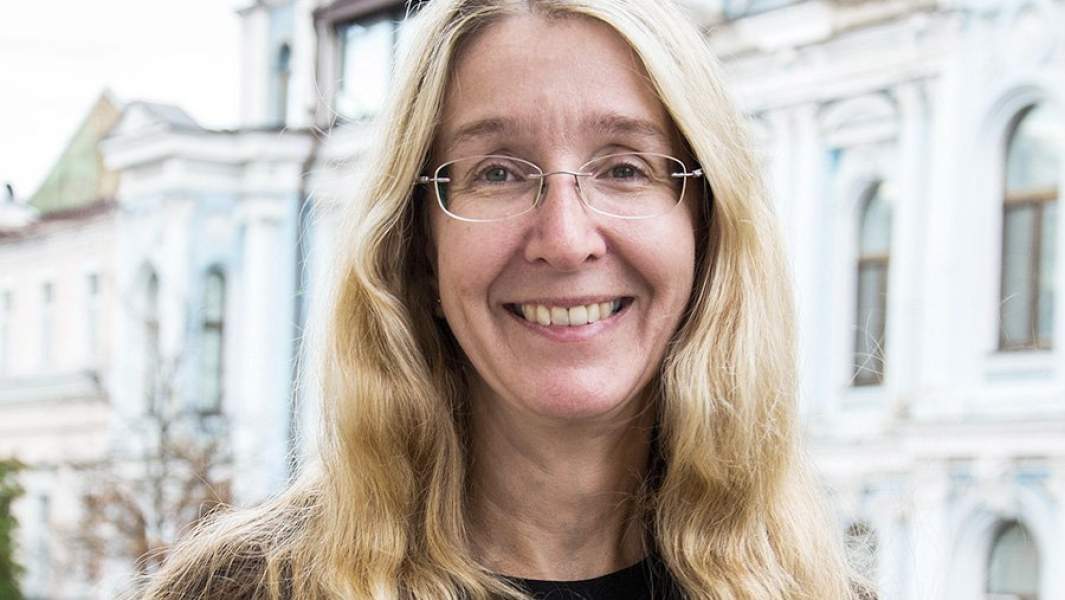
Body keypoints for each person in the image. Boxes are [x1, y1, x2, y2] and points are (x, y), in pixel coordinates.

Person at [141, 0, 865, 598]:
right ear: (418, 247)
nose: (566, 238)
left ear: (706, 229)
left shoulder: (811, 590)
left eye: (624, 168)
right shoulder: (249, 589)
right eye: (497, 173)